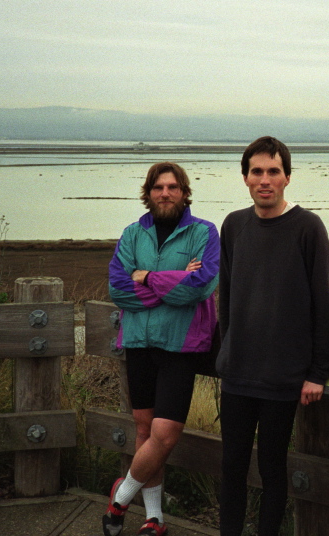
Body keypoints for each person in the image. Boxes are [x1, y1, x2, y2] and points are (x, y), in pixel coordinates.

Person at [216, 136, 329, 536]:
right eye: (256, 171)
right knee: (231, 466)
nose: (265, 180)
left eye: (273, 171)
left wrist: (319, 371)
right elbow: (226, 297)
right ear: (245, 177)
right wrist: (226, 351)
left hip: (283, 378)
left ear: (287, 177)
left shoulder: (308, 227)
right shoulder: (233, 225)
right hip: (238, 374)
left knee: (273, 468)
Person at [102, 162, 220, 536]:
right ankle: (155, 518)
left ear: (184, 193)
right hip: (138, 342)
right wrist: (174, 282)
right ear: (149, 193)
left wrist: (148, 277)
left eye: (172, 187)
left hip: (181, 345)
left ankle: (119, 499)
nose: (165, 193)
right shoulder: (132, 234)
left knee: (165, 434)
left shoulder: (204, 232)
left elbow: (200, 287)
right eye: (158, 187)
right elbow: (118, 289)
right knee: (144, 431)